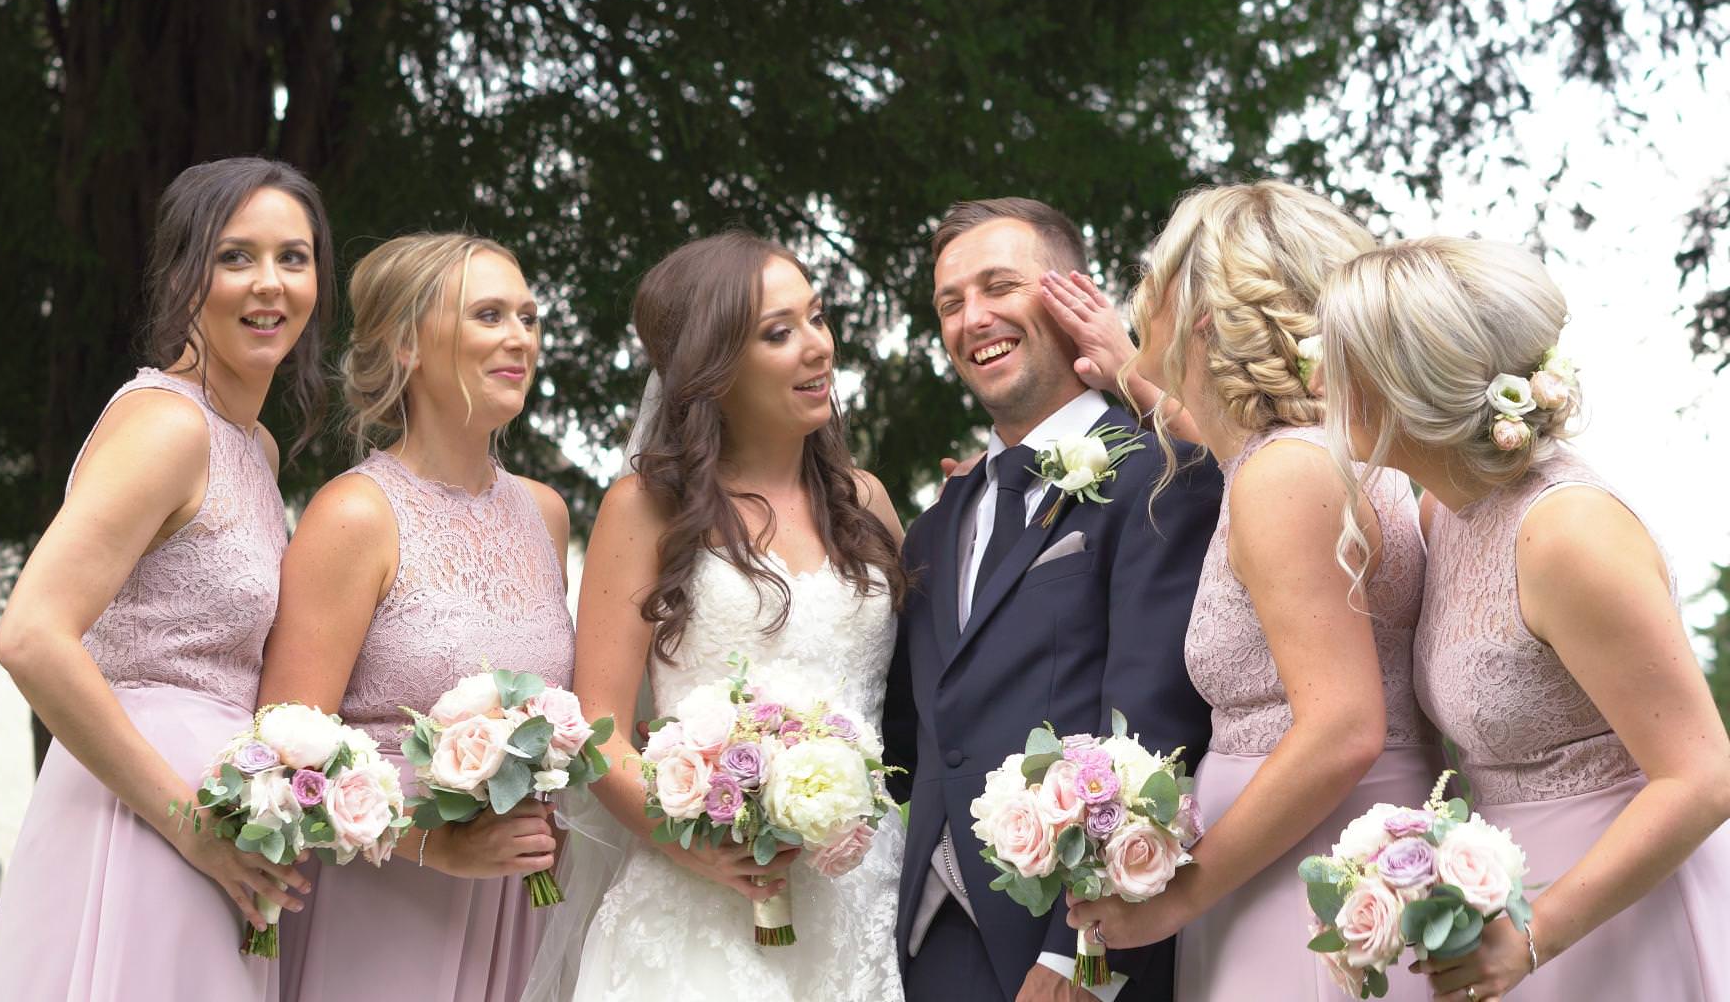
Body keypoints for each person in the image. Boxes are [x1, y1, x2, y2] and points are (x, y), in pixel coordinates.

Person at [1319, 237, 1730, 1002]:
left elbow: (1703, 778)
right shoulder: (1444, 508)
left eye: (1342, 361)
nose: (1321, 379)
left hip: (1621, 914)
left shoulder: (1567, 535)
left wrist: (1535, 934)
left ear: (1403, 386)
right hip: (1514, 900)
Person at [1055, 182, 1435, 1000]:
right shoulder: (1303, 454)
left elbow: (1342, 727)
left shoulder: (1282, 477)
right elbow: (1208, 426)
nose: (1136, 294)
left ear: (1200, 314)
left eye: (1151, 275)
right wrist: (1129, 367)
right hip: (1303, 866)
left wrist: (1177, 899)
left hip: (1305, 889)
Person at [0, 157, 332, 999]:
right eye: (234, 256)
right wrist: (187, 824)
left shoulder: (254, 447)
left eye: (294, 257)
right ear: (183, 275)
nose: (269, 284)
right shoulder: (165, 427)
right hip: (139, 815)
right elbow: (31, 635)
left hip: (219, 827)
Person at [885, 197, 1222, 1002]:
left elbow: (1156, 717)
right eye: (950, 302)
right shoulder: (933, 530)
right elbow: (916, 730)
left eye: (999, 286)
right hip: (930, 943)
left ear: (1071, 293)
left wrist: (1084, 952)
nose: (974, 319)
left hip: (1079, 947)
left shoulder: (1160, 474)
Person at [559, 230, 911, 1000]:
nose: (816, 347)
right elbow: (598, 726)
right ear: (714, 371)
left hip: (862, 900)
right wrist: (691, 844)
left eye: (816, 318)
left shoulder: (867, 503)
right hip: (699, 906)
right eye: (778, 334)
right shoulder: (646, 509)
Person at [260, 234, 573, 1000]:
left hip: (516, 906)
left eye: (528, 317)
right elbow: (282, 754)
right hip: (381, 906)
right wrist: (437, 845)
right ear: (407, 345)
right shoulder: (354, 515)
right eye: (489, 315)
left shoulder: (546, 514)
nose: (519, 338)